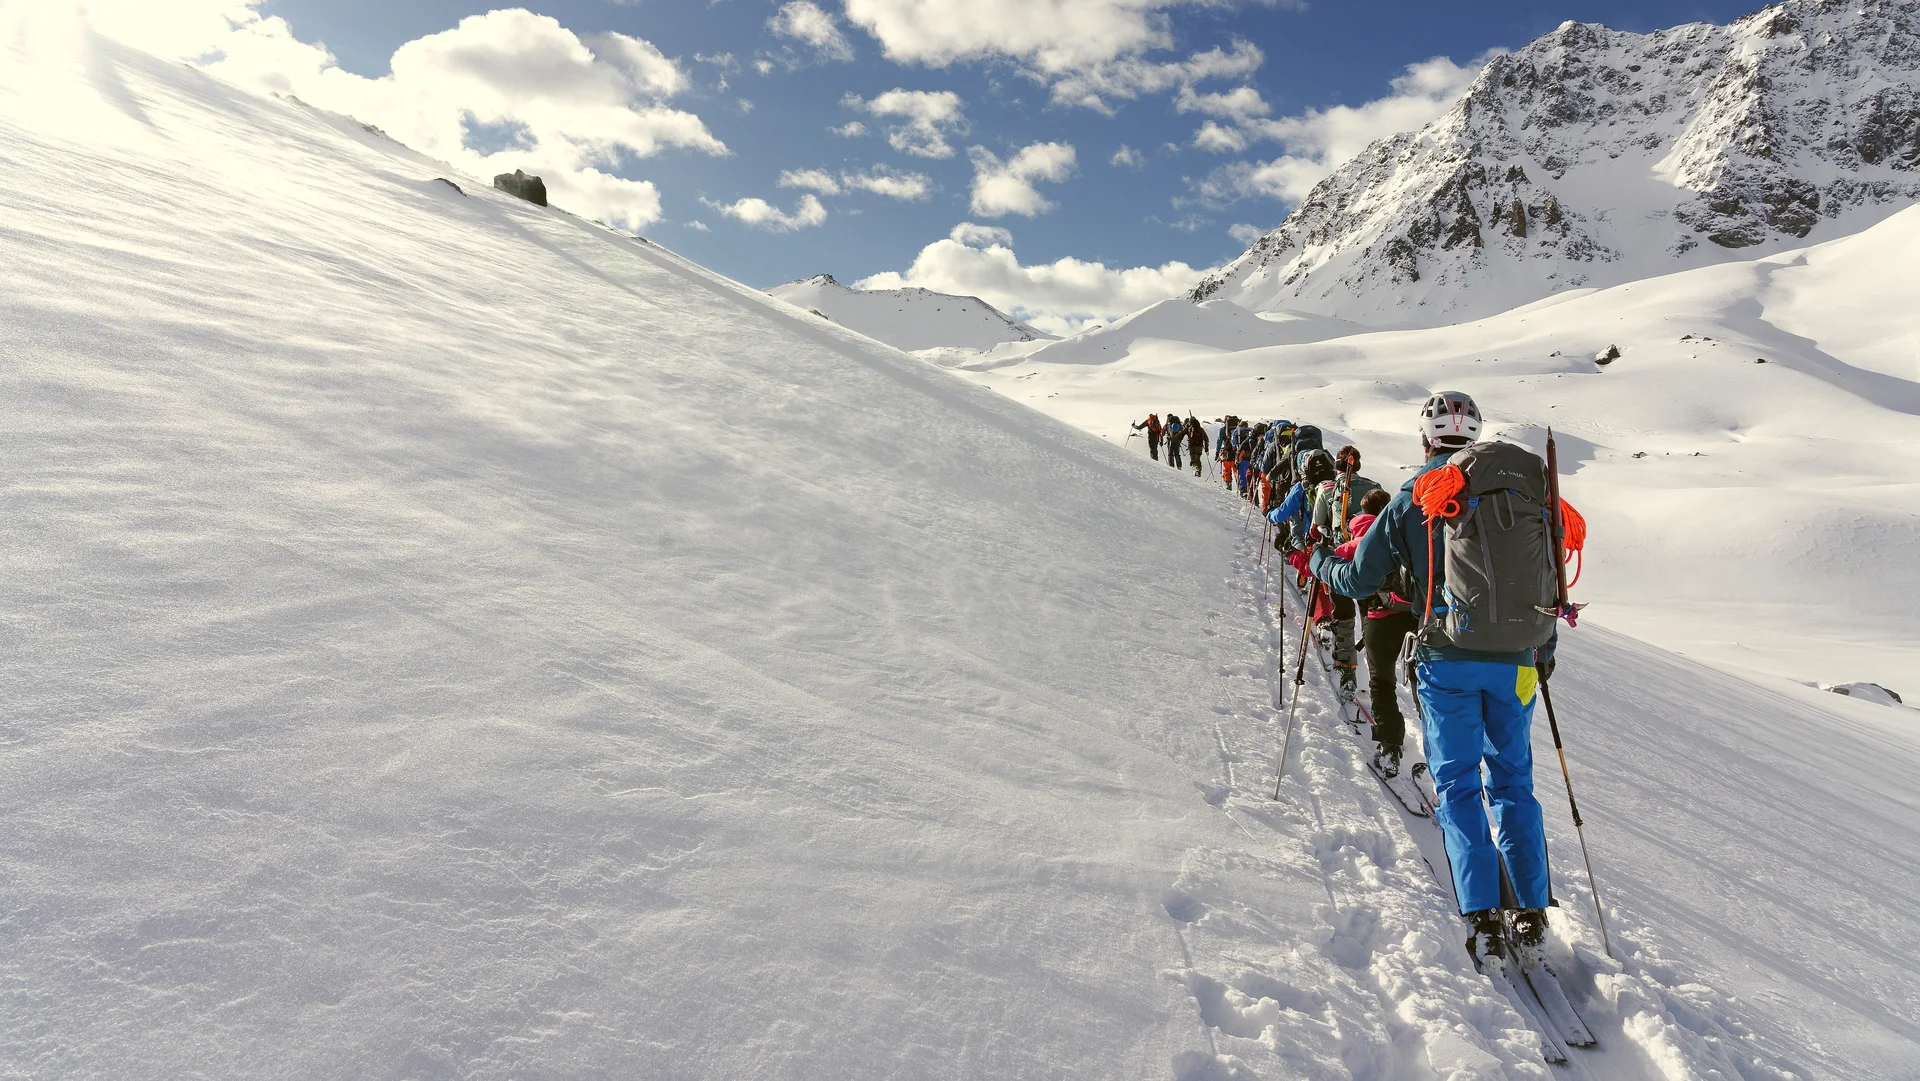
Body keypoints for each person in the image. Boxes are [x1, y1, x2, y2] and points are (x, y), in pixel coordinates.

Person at [1306, 391, 1558, 961]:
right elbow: (1547, 579)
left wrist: (1320, 561)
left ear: (1426, 440)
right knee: (1514, 781)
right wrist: (1542, 651)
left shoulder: (1415, 494)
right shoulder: (1521, 491)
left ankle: (1482, 913)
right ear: (1475, 437)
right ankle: (1532, 909)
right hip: (1519, 661)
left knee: (1459, 783)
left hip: (1447, 659)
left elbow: (1359, 578)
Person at [1342, 488, 1416, 773]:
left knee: (1382, 682)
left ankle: (1390, 746)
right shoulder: (1406, 530)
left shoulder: (1360, 536)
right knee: (1426, 684)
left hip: (1381, 617)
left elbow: (1342, 573)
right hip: (1416, 617)